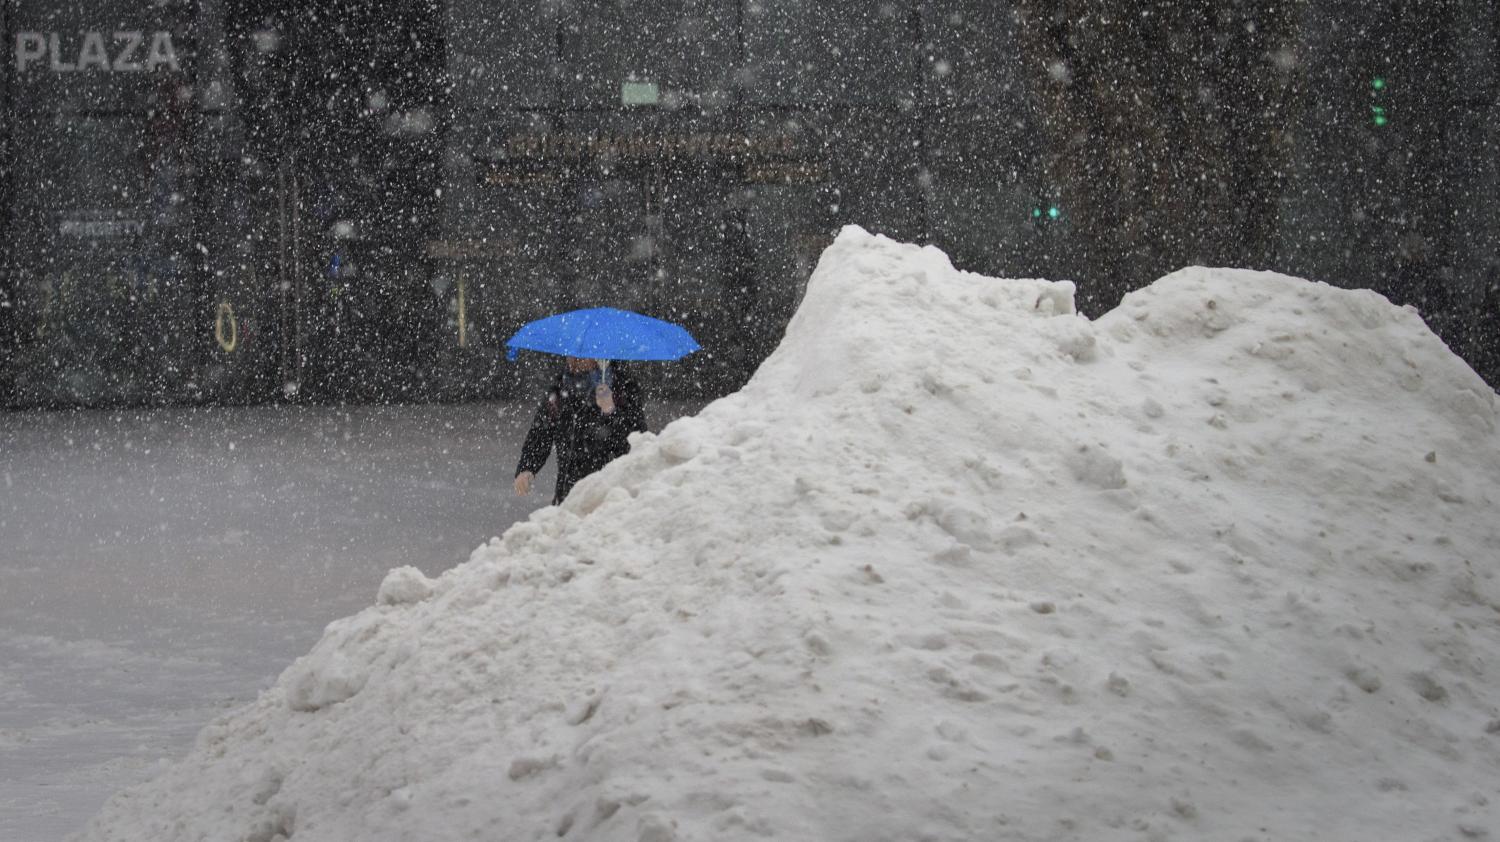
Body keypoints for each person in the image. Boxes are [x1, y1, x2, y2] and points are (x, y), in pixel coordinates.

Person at [514, 356, 647, 504]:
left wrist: (611, 411)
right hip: (568, 494)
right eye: (570, 354)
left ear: (601, 358)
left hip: (612, 498)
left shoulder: (622, 389)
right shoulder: (559, 391)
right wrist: (527, 467)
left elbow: (638, 443)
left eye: (583, 355)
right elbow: (540, 434)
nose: (574, 360)